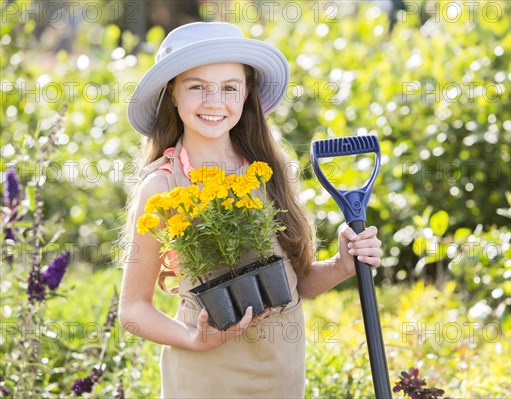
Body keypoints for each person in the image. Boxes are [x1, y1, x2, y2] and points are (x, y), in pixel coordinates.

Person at [119, 22, 383, 398]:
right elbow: (132, 310)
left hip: (281, 373)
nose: (214, 102)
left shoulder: (266, 173)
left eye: (229, 87)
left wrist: (343, 263)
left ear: (246, 95)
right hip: (205, 379)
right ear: (172, 95)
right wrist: (194, 339)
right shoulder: (162, 187)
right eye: (197, 86)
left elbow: (297, 284)